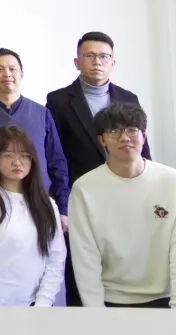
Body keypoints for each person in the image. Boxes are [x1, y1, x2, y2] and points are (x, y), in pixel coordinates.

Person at [69, 103, 176, 309]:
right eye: (114, 131)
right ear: (102, 140)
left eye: (132, 130)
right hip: (111, 300)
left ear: (144, 136)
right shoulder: (85, 188)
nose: (124, 137)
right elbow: (85, 255)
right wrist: (95, 312)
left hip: (164, 298)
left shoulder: (171, 181)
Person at [0, 49, 70, 221]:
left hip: (38, 202)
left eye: (12, 69)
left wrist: (63, 208)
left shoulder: (41, 113)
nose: (7, 74)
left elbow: (57, 162)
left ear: (21, 74)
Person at [0, 125, 65, 307]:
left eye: (24, 156)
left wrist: (42, 303)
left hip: (33, 307)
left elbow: (56, 259)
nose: (17, 162)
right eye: (8, 155)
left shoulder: (46, 203)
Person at [46, 32, 150, 185]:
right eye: (90, 56)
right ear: (77, 63)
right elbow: (54, 154)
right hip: (81, 186)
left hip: (128, 182)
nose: (97, 62)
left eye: (104, 56)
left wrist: (147, 181)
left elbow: (142, 147)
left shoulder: (128, 98)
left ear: (113, 63)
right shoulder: (58, 101)